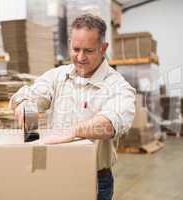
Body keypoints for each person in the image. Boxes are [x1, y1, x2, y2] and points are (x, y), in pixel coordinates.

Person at [10, 13, 135, 200]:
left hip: (94, 179)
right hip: (52, 171)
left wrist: (74, 131)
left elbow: (111, 122)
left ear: (103, 48)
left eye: (88, 51)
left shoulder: (118, 86)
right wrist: (25, 108)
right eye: (76, 49)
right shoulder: (57, 76)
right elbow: (30, 95)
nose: (80, 57)